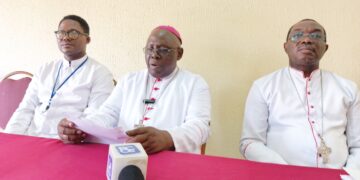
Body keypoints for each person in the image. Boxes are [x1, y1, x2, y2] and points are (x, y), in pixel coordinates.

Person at [58, 26, 211, 154]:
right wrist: (80, 128)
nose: (154, 55)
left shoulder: (195, 83)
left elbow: (200, 126)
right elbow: (107, 114)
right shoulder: (129, 80)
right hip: (123, 155)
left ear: (179, 53)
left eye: (163, 49)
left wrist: (168, 137)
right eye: (150, 48)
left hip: (170, 158)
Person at [240, 19, 360, 170]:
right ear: (285, 47)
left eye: (316, 36)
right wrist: (286, 173)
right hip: (280, 176)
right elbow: (250, 142)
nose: (306, 40)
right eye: (297, 36)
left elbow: (358, 145)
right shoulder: (263, 86)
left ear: (325, 48)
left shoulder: (348, 88)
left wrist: (350, 174)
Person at [4, 15, 114, 139]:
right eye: (61, 33)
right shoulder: (45, 69)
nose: (66, 38)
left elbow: (95, 117)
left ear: (87, 39)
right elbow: (26, 108)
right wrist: (9, 138)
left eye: (73, 33)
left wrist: (71, 134)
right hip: (32, 137)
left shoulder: (100, 73)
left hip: (69, 142)